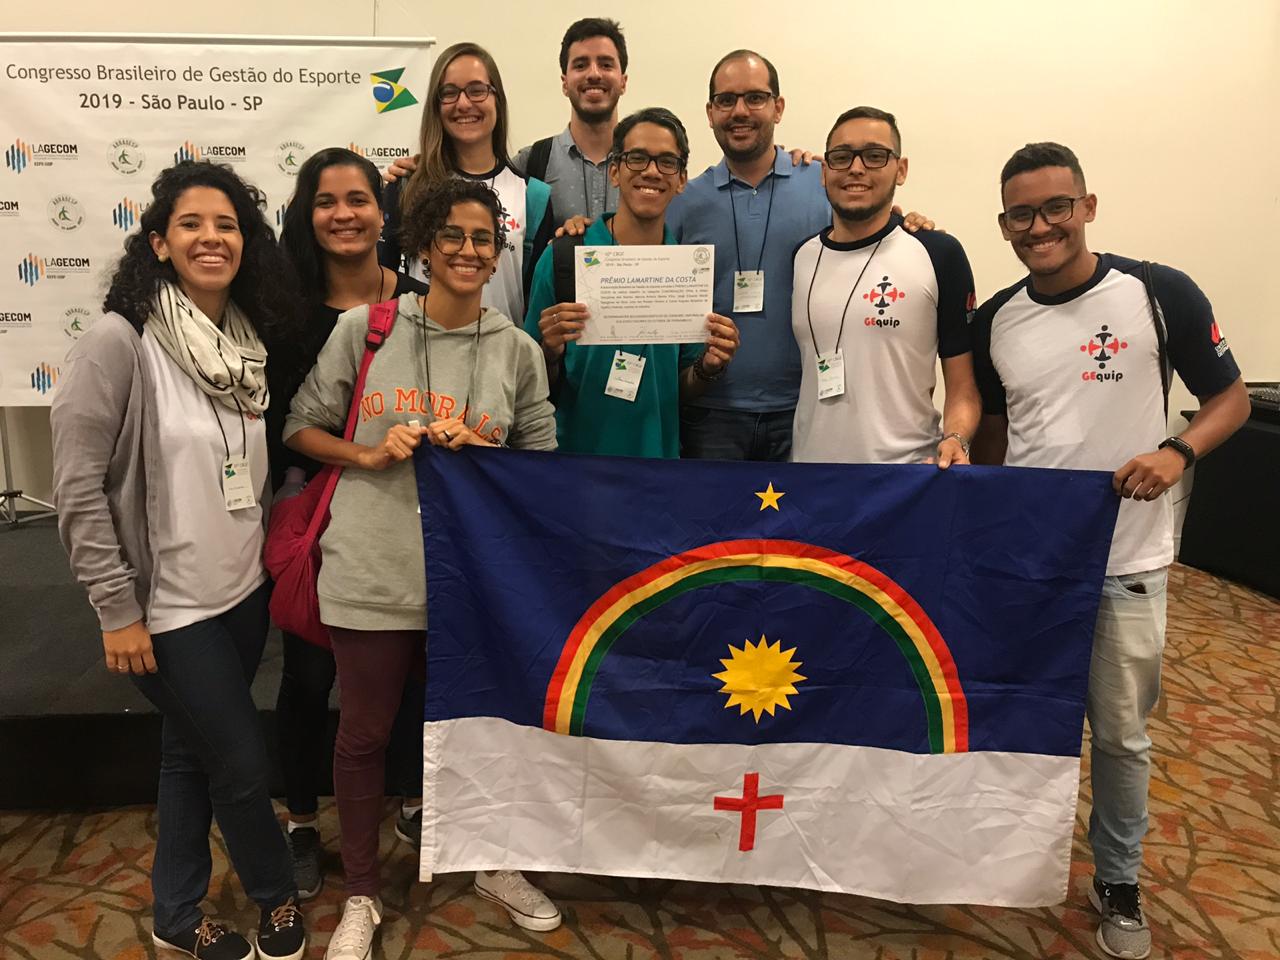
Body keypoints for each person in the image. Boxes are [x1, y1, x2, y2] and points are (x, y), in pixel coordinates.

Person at [970, 142, 1250, 960]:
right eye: (1022, 215)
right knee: (1013, 714)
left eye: (1057, 207)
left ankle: (1118, 880)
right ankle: (1001, 854)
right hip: (1028, 564)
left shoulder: (1157, 292)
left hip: (1125, 562)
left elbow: (1230, 398)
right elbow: (994, 439)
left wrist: (1178, 452)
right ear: (1004, 225)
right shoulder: (996, 320)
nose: (1040, 227)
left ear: (1088, 207)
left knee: (1121, 735)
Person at [284, 178, 560, 959]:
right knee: (364, 736)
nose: (468, 251)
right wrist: (368, 452)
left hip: (474, 580)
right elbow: (300, 427)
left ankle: (491, 863)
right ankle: (362, 894)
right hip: (373, 566)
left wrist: (488, 453)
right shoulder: (366, 330)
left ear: (497, 254)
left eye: (483, 239)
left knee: (484, 733)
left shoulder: (516, 349)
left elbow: (546, 465)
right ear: (424, 248)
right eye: (452, 237)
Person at [50, 160, 307, 960]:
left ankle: (175, 910)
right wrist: (116, 610)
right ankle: (277, 897)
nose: (211, 238)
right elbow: (76, 488)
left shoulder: (244, 344)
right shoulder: (119, 342)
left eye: (227, 225)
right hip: (166, 610)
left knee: (189, 753)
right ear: (159, 243)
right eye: (191, 224)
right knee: (240, 761)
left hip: (240, 594)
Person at [273, 147, 430, 899]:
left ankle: (407, 801)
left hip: (406, 515)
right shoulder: (283, 310)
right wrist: (360, 456)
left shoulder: (422, 302)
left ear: (381, 211)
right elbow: (285, 423)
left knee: (407, 669)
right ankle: (303, 821)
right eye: (327, 201)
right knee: (309, 677)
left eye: (359, 199)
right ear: (307, 216)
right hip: (317, 513)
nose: (345, 215)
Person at [669, 52, 937, 462]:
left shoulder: (822, 182)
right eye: (726, 100)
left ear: (778, 107)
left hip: (804, 410)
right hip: (712, 414)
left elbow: (874, 228)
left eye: (755, 98)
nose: (740, 111)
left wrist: (912, 221)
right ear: (710, 112)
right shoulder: (684, 201)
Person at [525, 106, 740, 457]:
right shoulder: (564, 258)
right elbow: (527, 384)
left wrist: (708, 367)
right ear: (615, 171)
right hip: (572, 464)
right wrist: (548, 352)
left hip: (656, 464)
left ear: (681, 180)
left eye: (667, 162)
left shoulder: (687, 273)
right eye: (637, 158)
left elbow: (681, 385)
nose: (652, 171)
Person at [790, 107, 980, 466]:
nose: (856, 168)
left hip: (905, 477)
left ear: (901, 169)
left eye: (875, 156)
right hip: (810, 474)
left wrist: (957, 438)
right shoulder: (802, 257)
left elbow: (963, 386)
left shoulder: (938, 253)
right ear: (824, 172)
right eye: (842, 157)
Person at [379, 42, 555, 325]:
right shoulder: (407, 185)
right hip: (418, 347)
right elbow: (382, 282)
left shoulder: (532, 196)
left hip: (502, 349)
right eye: (449, 93)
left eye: (476, 90)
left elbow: (537, 302)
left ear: (497, 99)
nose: (463, 104)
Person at [514, 17, 627, 220]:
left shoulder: (643, 166)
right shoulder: (529, 163)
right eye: (581, 65)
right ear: (565, 83)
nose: (594, 74)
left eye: (606, 64)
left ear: (623, 82)